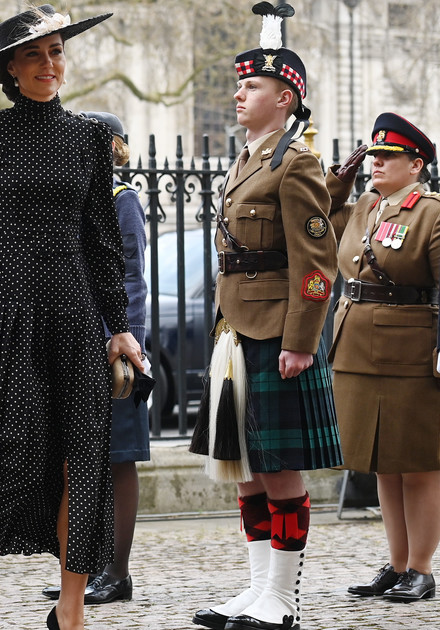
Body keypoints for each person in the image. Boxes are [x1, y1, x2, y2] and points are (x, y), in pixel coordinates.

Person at [0, 6, 144, 630]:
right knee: (8, 453)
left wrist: (118, 325)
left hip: (73, 309)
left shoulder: (91, 138)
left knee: (84, 455)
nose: (50, 66)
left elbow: (101, 240)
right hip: (8, 309)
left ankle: (70, 608)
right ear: (10, 70)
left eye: (58, 52)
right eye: (36, 56)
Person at [188, 4, 341, 630]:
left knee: (278, 470)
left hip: (278, 330)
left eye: (251, 86)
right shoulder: (247, 158)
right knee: (245, 468)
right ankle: (255, 590)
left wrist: (300, 339)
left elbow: (316, 261)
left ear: (285, 98)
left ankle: (283, 599)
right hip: (236, 329)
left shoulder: (295, 161)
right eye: (240, 83)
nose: (237, 93)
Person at [325, 113, 440, 603]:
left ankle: (421, 567)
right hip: (355, 346)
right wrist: (337, 185)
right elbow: (315, 230)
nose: (376, 164)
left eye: (388, 157)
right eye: (373, 156)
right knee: (381, 466)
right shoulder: (365, 206)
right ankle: (396, 565)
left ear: (416, 165)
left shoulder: (431, 212)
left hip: (408, 353)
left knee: (418, 464)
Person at [43, 110, 148, 606]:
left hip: (109, 345)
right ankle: (82, 569)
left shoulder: (120, 199)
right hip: (67, 340)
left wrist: (121, 339)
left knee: (117, 458)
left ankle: (117, 571)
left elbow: (131, 279)